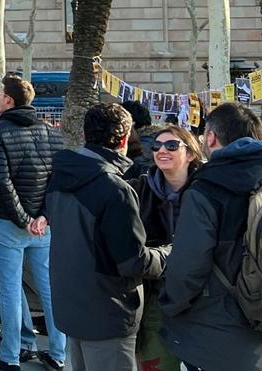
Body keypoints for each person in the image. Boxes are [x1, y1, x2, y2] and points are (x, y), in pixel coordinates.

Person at [46, 103, 170, 371]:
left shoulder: (61, 173)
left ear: (86, 133)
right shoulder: (115, 189)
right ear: (125, 139)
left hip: (72, 304)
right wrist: (168, 254)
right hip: (108, 311)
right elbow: (132, 262)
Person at [0, 76, 66, 371]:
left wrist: (23, 219)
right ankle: (59, 352)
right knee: (48, 287)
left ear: (8, 100)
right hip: (41, 223)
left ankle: (10, 354)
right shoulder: (52, 133)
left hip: (10, 220)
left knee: (9, 289)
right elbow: (55, 181)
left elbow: (1, 179)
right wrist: (43, 217)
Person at [162, 102, 262, 370]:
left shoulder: (207, 187)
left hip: (221, 324)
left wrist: (171, 304)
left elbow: (188, 265)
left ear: (210, 137)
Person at [127, 125, 203, 371]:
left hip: (201, 297)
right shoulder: (140, 188)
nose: (162, 151)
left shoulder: (207, 189)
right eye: (157, 146)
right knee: (155, 362)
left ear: (190, 153)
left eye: (172, 146)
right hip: (156, 294)